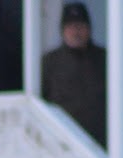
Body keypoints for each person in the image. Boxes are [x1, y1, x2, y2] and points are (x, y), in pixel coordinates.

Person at [40, 3, 106, 146]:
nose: (76, 32)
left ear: (89, 29)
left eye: (80, 26)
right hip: (62, 140)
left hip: (98, 139)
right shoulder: (50, 62)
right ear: (62, 31)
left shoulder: (104, 59)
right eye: (70, 27)